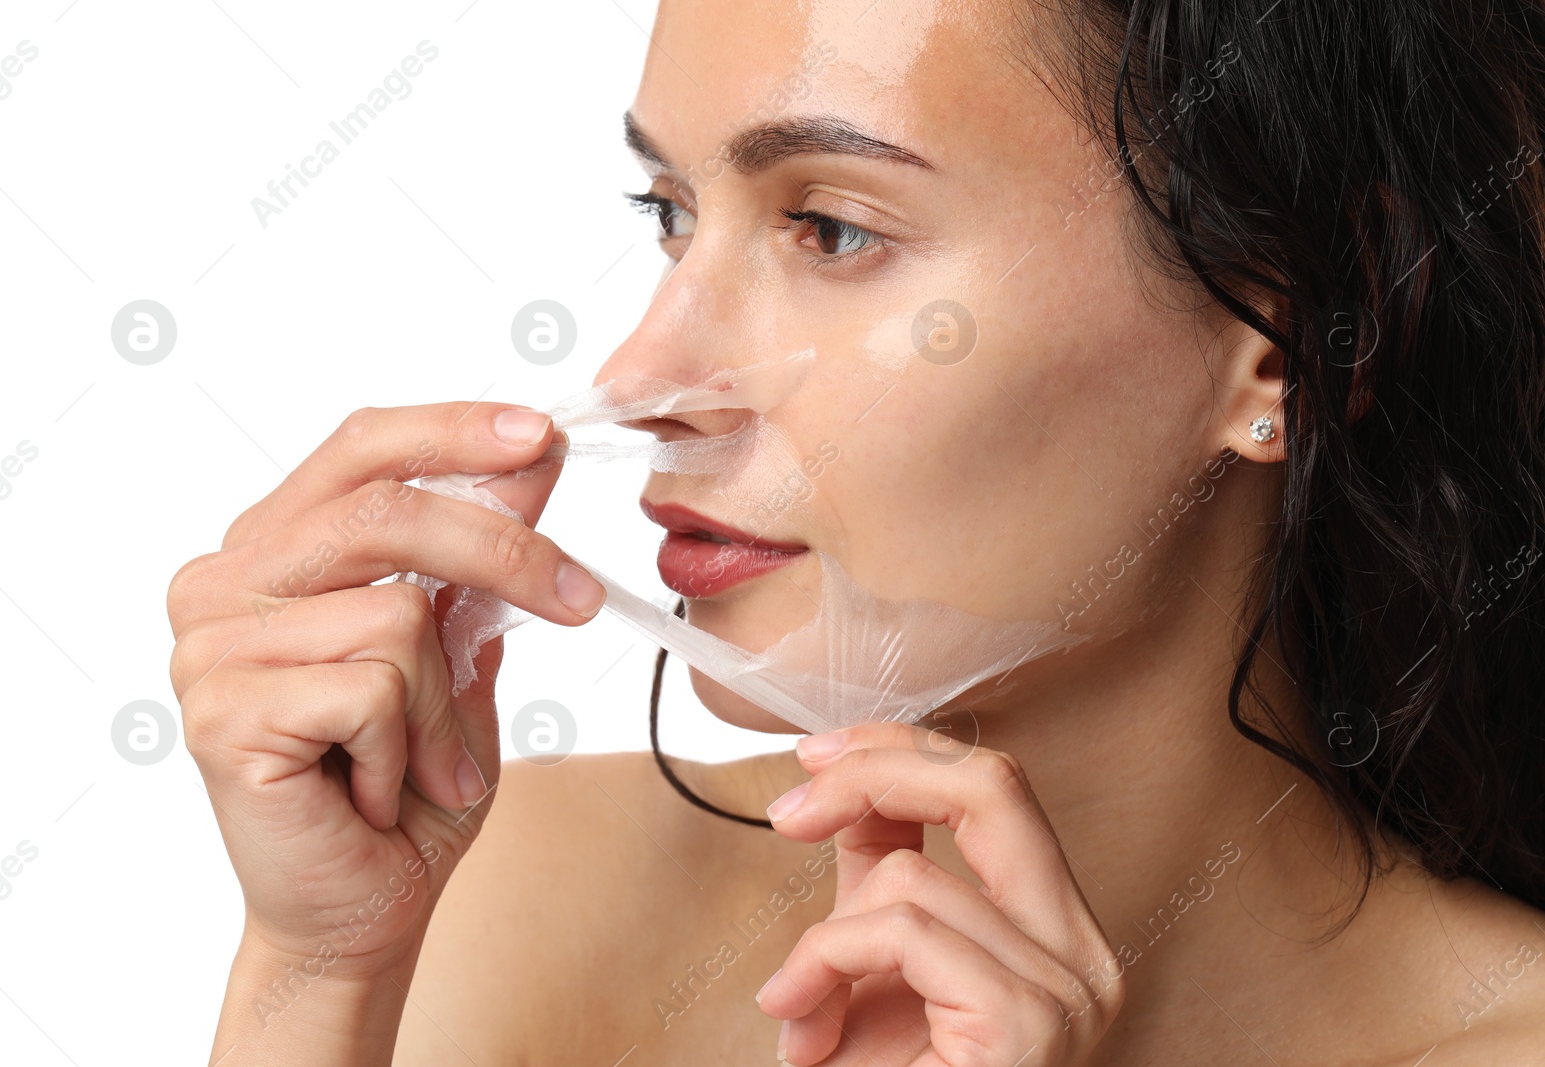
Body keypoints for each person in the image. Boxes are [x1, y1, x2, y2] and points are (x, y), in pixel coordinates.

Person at [167, 0, 1545, 1062]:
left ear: (1297, 337)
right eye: (672, 215)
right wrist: (320, 977)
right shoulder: (521, 898)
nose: (642, 382)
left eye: (828, 229)